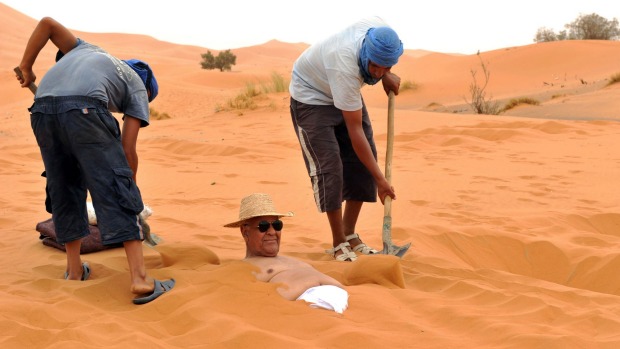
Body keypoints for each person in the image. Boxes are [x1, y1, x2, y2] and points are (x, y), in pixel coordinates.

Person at [15, 17, 174, 304]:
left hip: (41, 111)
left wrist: (26, 66)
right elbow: (127, 152)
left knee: (64, 187)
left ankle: (74, 271)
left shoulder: (86, 49)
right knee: (117, 187)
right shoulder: (138, 86)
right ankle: (140, 279)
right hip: (85, 109)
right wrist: (130, 187)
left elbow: (48, 24)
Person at [289, 17, 404, 261]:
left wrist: (385, 74)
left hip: (340, 90)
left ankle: (350, 233)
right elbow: (355, 132)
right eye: (374, 66)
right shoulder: (344, 65)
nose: (378, 71)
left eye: (386, 65)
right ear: (364, 51)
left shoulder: (380, 33)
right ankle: (338, 241)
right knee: (330, 168)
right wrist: (381, 181)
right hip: (311, 96)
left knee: (363, 164)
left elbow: (381, 62)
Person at [225, 193, 349, 313]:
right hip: (307, 305)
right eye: (263, 226)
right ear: (245, 232)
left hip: (339, 300)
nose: (272, 232)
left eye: (277, 225)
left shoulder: (289, 259)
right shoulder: (243, 267)